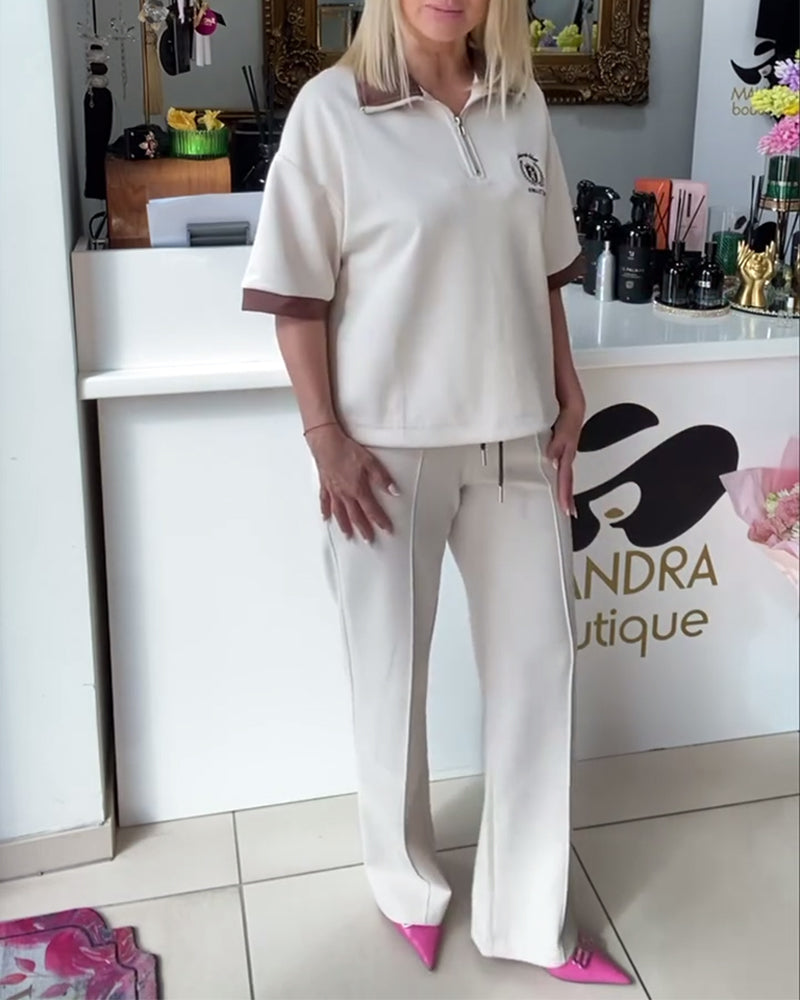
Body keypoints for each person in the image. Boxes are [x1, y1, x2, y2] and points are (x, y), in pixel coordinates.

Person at [242, 0, 631, 985]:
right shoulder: (332, 110)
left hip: (515, 436)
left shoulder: (520, 104)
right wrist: (324, 439)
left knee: (540, 667)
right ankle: (405, 884)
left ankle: (528, 919)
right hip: (385, 452)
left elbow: (544, 273)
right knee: (389, 677)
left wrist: (569, 389)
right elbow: (297, 297)